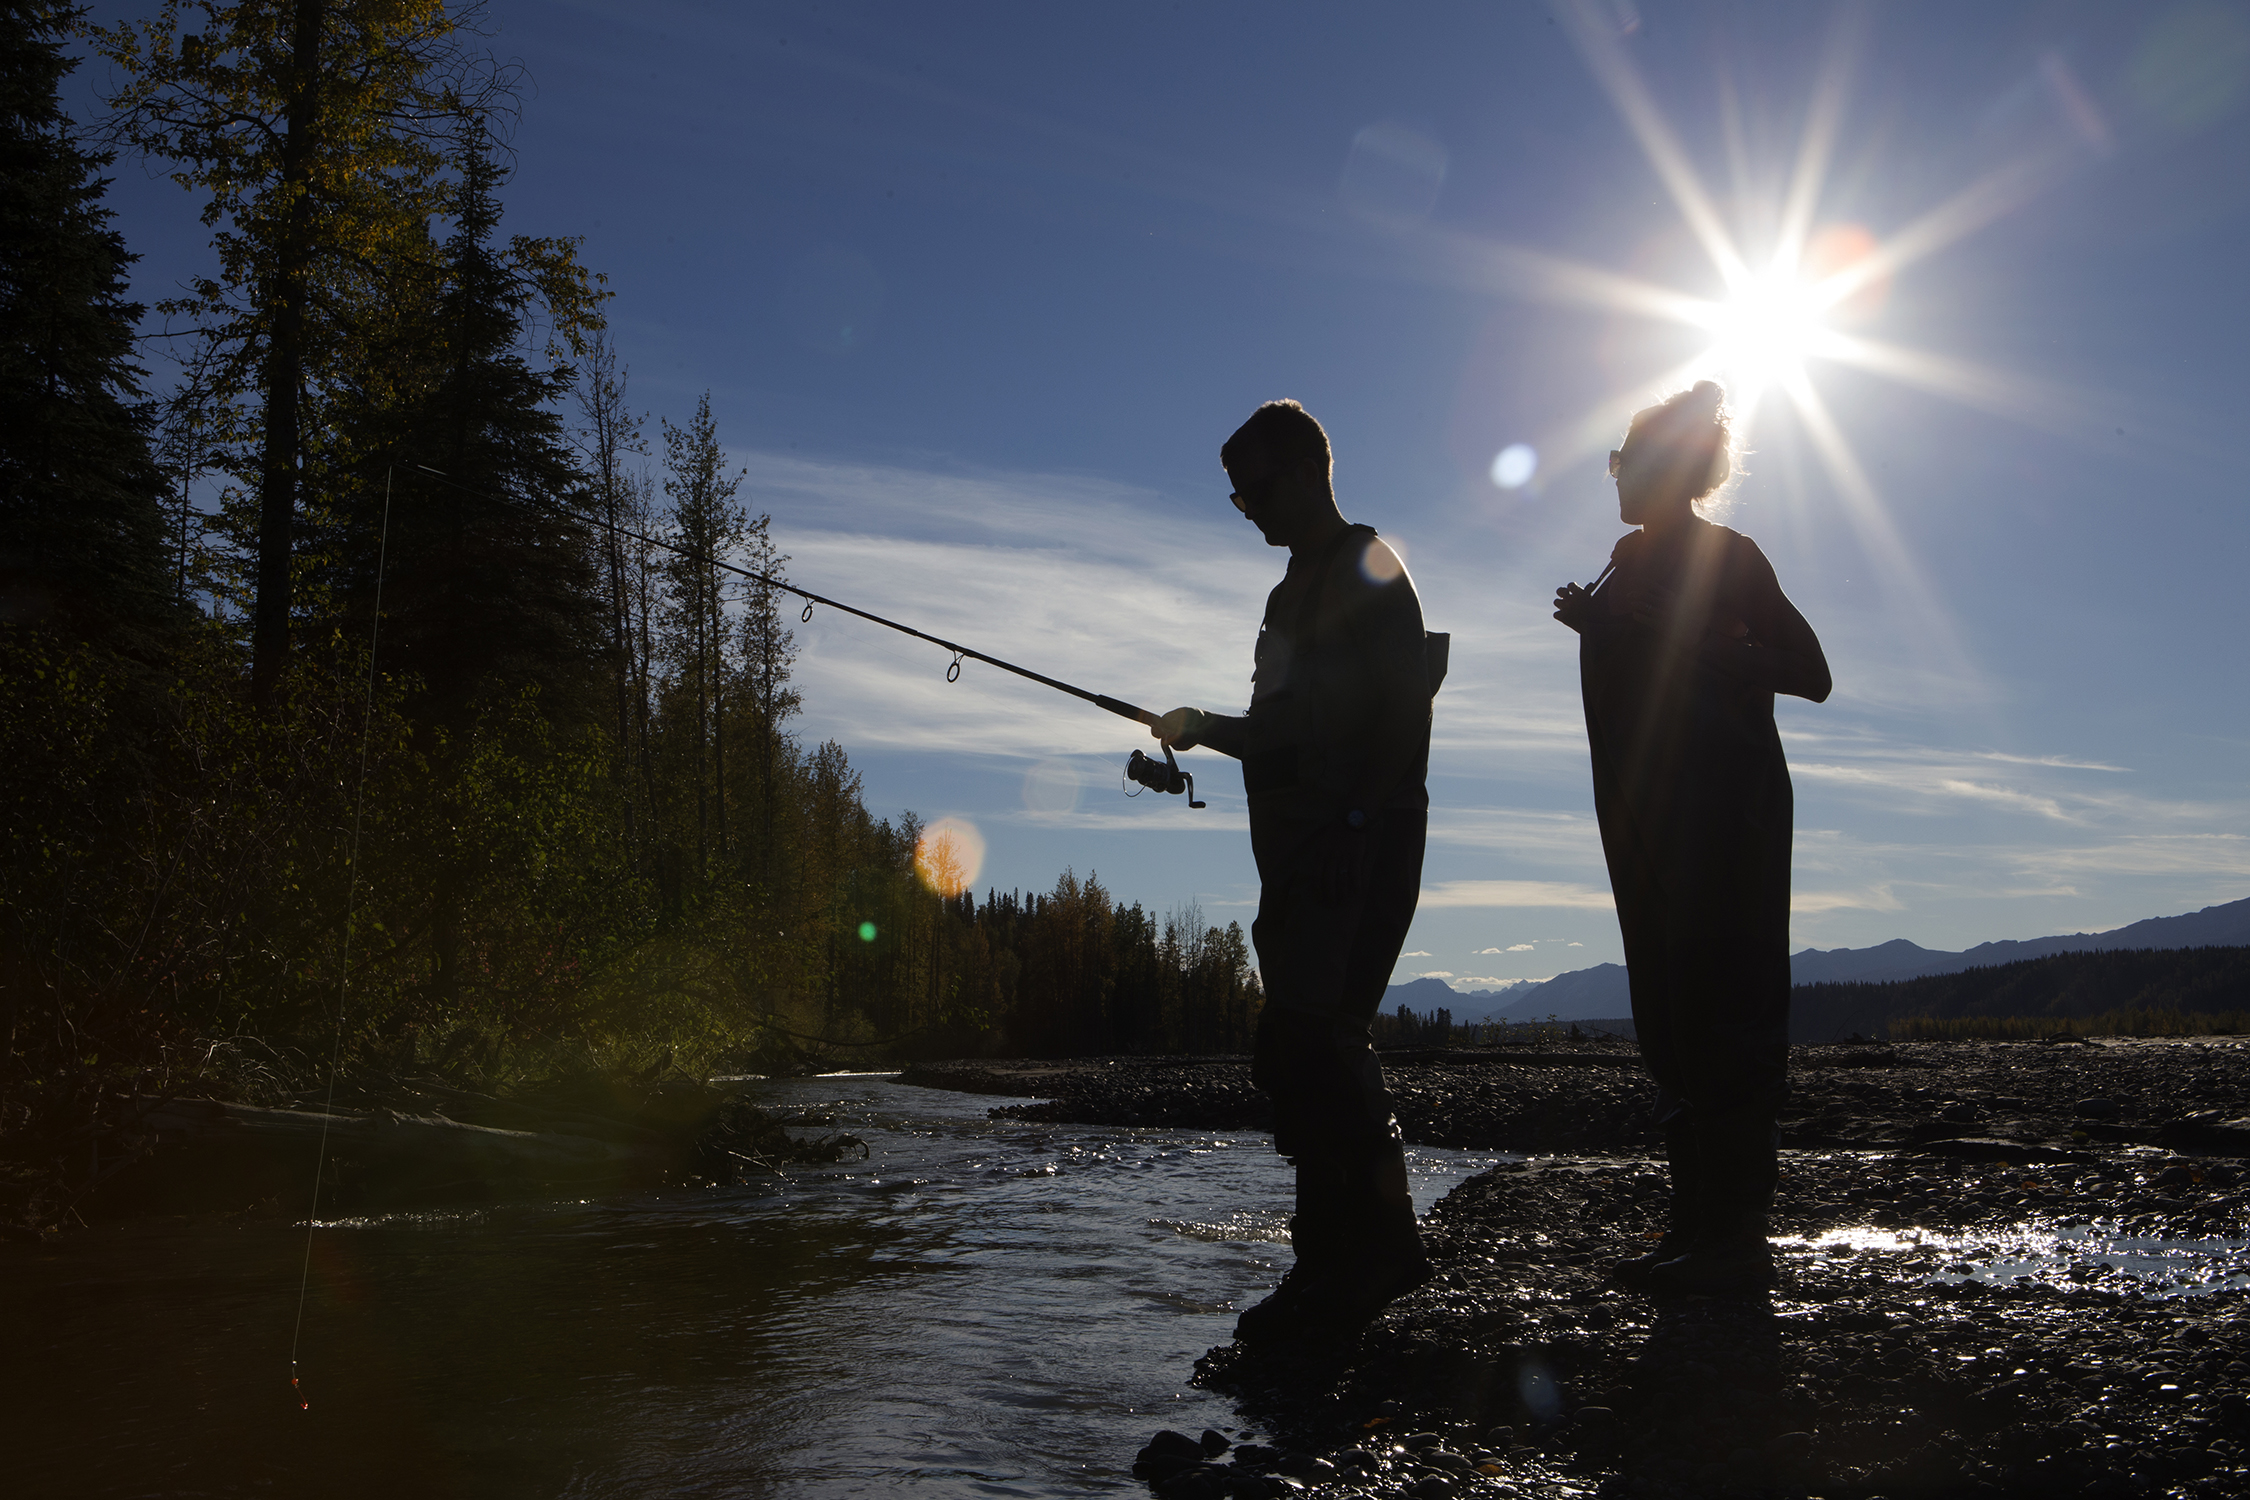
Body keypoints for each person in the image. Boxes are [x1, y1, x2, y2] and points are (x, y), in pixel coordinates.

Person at [1154, 399, 1443, 1344]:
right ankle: (1336, 1261)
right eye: (1235, 494)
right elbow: (1279, 732)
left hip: (1356, 844)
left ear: (1305, 471)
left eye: (1251, 488)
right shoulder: (1285, 598)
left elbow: (1404, 711)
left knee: (1320, 1043)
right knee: (1302, 1050)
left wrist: (1359, 818)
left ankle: (1366, 1261)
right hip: (1301, 854)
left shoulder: (1369, 566)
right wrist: (1204, 729)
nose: (1243, 507)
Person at [1553, 380, 1831, 1295]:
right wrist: (1602, 624)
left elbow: (1811, 672)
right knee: (1670, 1017)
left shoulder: (1730, 557)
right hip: (1645, 826)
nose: (1616, 479)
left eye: (1625, 463)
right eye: (1614, 463)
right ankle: (1693, 1229)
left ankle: (1733, 1236)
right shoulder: (1623, 564)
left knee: (1727, 1010)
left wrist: (1683, 638)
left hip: (1728, 822)